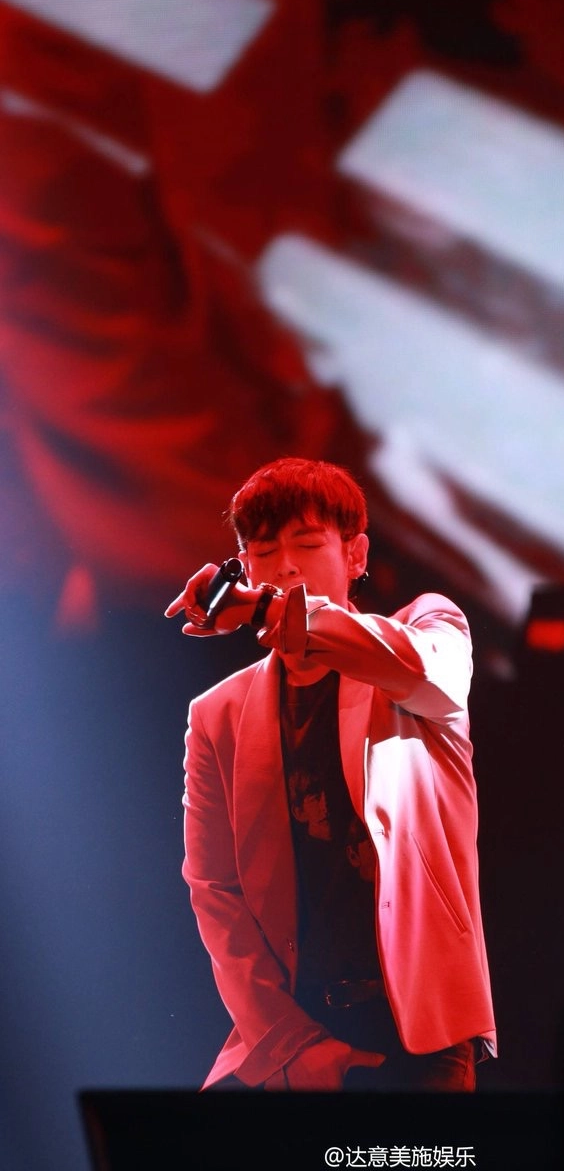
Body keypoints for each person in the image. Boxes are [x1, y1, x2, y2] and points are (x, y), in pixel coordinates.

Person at [165, 456, 496, 1091]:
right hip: (298, 1032)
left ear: (355, 553)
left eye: (308, 544)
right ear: (244, 565)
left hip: (422, 1032)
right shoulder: (216, 715)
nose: (286, 567)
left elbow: (426, 675)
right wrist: (293, 1044)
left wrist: (267, 609)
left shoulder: (427, 631)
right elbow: (215, 891)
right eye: (264, 553)